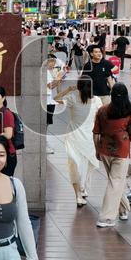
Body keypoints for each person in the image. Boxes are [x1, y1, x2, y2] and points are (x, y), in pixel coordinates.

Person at [92, 83, 131, 227]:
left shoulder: (102, 111)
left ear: (112, 95)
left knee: (115, 182)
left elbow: (96, 133)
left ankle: (123, 210)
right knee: (115, 182)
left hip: (105, 150)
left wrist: (97, 149)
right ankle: (106, 218)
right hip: (122, 152)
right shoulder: (129, 114)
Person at [54, 77, 102, 207]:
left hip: (73, 138)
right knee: (86, 164)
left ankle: (78, 194)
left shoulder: (72, 98)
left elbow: (55, 99)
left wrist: (68, 90)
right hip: (89, 138)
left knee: (74, 165)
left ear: (78, 87)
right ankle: (82, 188)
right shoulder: (97, 101)